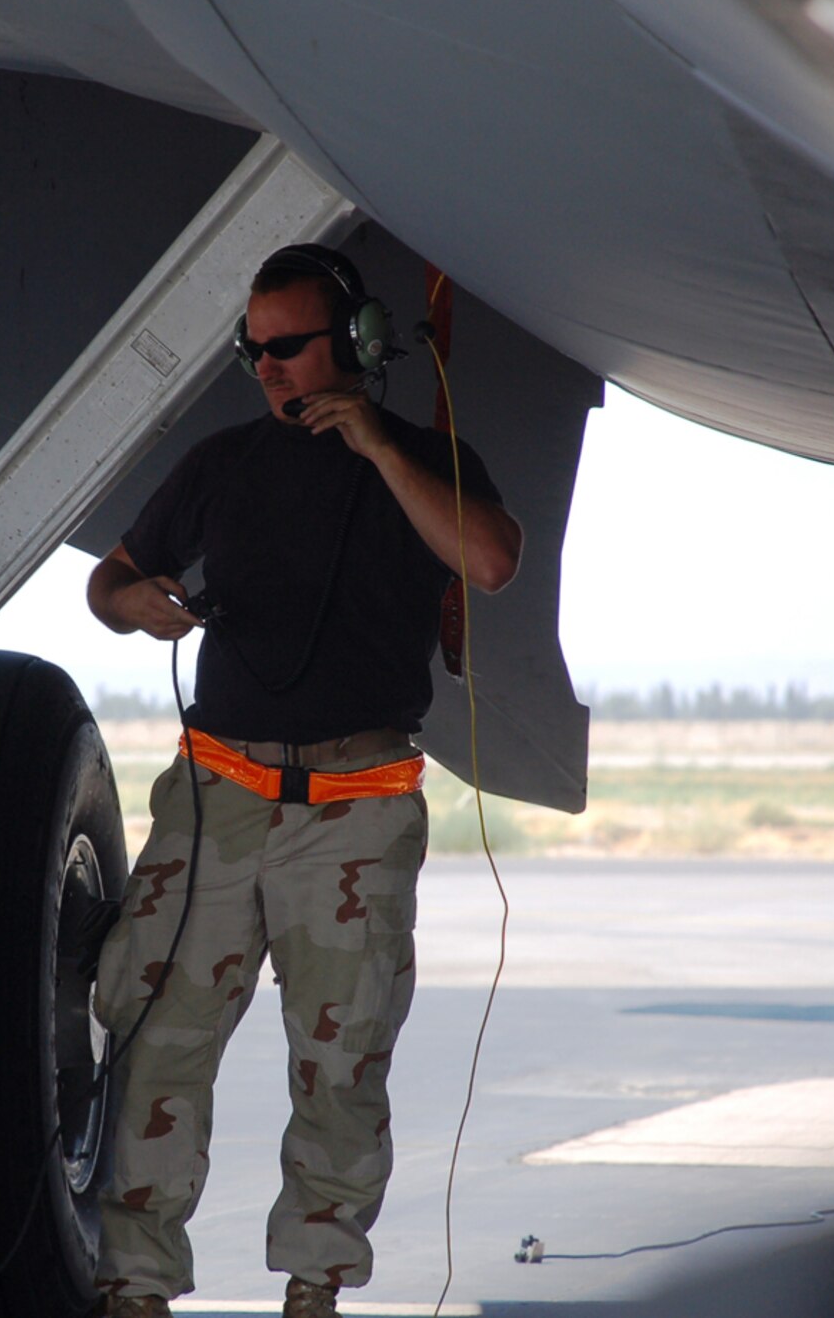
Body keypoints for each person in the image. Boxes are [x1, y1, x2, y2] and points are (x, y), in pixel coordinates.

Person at [85, 244, 522, 1318]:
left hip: (357, 810)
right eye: (253, 349)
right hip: (218, 800)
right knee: (156, 1037)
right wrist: (130, 605)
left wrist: (375, 446)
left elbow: (490, 559)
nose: (268, 367)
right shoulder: (221, 465)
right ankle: (134, 1288)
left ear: (357, 345)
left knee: (341, 1062)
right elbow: (111, 579)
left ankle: (314, 1289)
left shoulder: (423, 457)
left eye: (287, 346)